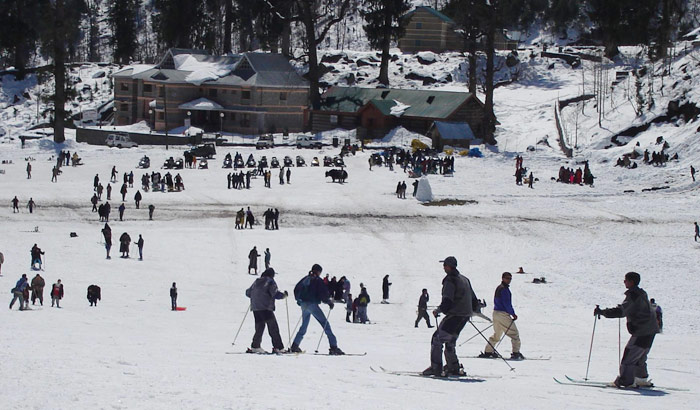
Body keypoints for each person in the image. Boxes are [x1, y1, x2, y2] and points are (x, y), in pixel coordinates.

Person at [594, 271, 659, 388]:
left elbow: (622, 311)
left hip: (642, 331)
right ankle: (641, 379)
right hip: (650, 330)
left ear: (631, 282)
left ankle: (626, 381)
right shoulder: (641, 293)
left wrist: (602, 312)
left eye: (626, 280)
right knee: (640, 356)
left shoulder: (633, 295)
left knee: (630, 356)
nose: (624, 282)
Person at [423, 256, 478, 377]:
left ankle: (436, 368)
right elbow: (474, 299)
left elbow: (447, 299)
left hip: (454, 315)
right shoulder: (465, 279)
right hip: (465, 315)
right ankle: (453, 366)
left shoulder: (450, 280)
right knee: (450, 340)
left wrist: (439, 310)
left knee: (437, 339)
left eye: (445, 265)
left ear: (449, 266)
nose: (443, 267)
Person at [290, 264, 344, 355]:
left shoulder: (305, 278)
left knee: (304, 326)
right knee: (325, 323)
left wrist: (299, 300)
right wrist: (329, 302)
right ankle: (333, 346)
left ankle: (295, 345)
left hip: (304, 305)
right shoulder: (317, 280)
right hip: (312, 304)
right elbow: (323, 293)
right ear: (318, 271)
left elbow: (296, 289)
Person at [479, 272, 523, 360]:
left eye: (510, 278)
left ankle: (488, 351)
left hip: (496, 313)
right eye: (507, 278)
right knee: (514, 334)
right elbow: (507, 304)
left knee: (497, 334)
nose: (509, 280)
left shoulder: (499, 288)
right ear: (502, 278)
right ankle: (516, 352)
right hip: (503, 314)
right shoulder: (504, 289)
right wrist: (513, 314)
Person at [245, 268, 288, 353]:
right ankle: (278, 347)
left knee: (259, 327)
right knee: (273, 327)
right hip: (266, 308)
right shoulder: (270, 281)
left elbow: (248, 293)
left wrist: (256, 297)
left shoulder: (256, 281)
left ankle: (255, 346)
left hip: (255, 307)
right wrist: (283, 295)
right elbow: (274, 293)